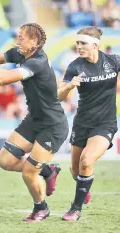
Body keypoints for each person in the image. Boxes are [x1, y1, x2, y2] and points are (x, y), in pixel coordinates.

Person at [0, 23, 69, 222]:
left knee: (28, 172)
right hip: (34, 120)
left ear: (34, 42)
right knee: (5, 160)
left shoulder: (37, 62)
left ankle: (41, 208)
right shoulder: (20, 53)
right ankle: (48, 170)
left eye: (22, 37)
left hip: (53, 125)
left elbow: (2, 79)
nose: (18, 40)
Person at [58, 26, 120, 221]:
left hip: (106, 123)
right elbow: (59, 96)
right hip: (82, 123)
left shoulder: (113, 61)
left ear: (95, 44)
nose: (79, 46)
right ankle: (84, 186)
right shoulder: (75, 66)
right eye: (77, 43)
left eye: (83, 43)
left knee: (86, 162)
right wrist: (69, 86)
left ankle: (74, 209)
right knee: (76, 170)